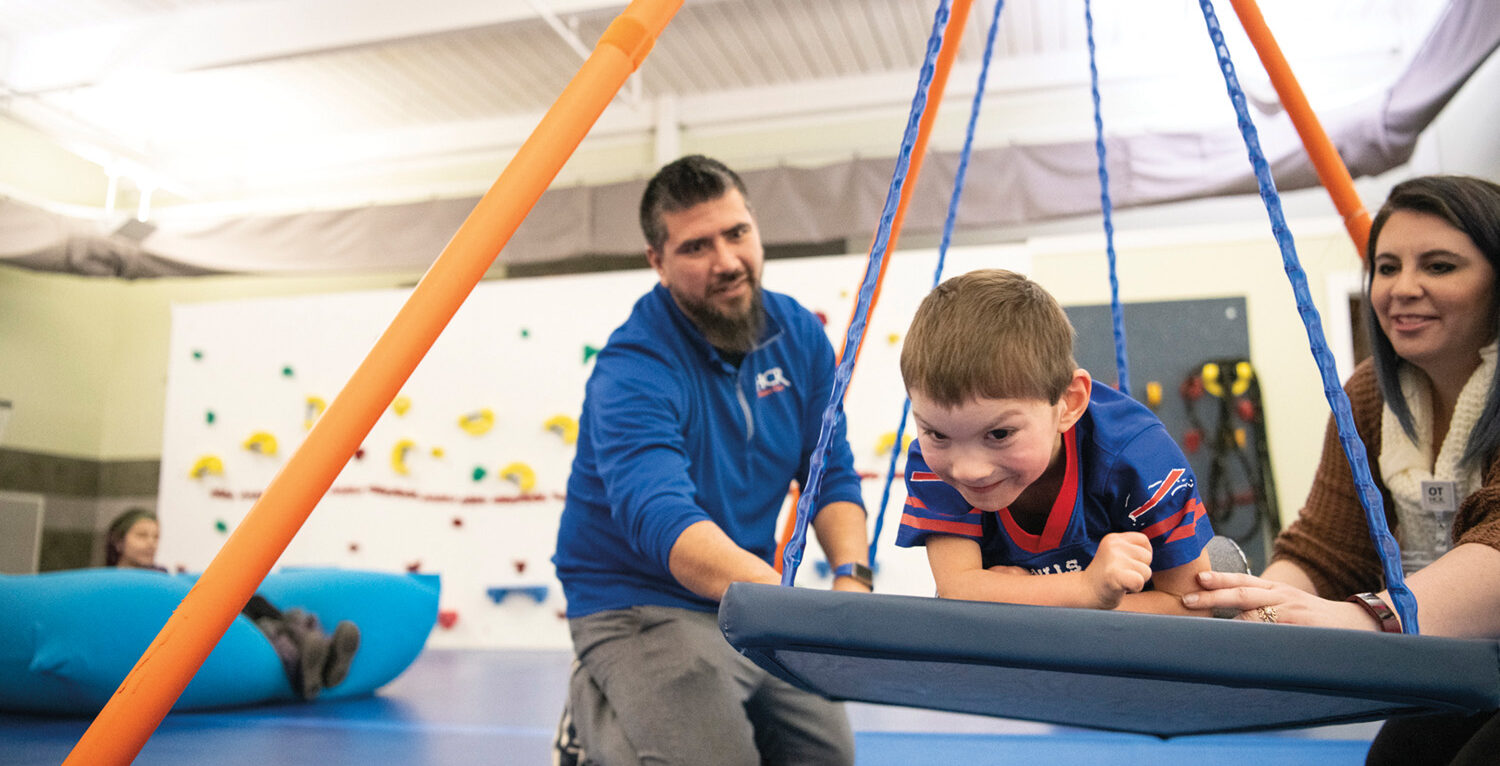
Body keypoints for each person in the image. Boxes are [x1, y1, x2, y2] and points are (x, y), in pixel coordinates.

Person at [551, 155, 871, 766]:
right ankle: (592, 725)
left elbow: (829, 474)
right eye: (697, 246)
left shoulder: (797, 334)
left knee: (827, 756)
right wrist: (785, 602)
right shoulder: (634, 368)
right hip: (638, 601)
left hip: (743, 597)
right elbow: (662, 518)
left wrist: (850, 581)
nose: (726, 261)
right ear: (657, 262)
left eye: (737, 233)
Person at [1181, 175, 1500, 765]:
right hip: (1467, 664)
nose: (1402, 288)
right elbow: (1328, 551)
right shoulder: (1371, 398)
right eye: (1386, 267)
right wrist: (1257, 609)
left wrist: (1368, 616)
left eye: (1439, 266)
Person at [894, 269, 1216, 613]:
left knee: (1226, 589)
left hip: (1155, 609)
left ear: (1069, 403)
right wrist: (1085, 589)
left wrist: (1024, 599)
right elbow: (958, 588)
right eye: (936, 434)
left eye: (1000, 434)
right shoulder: (934, 464)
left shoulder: (1140, 458)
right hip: (1099, 619)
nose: (969, 469)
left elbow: (1190, 607)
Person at [105, 508, 361, 701]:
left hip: (218, 616)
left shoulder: (162, 575)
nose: (151, 543)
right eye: (141, 536)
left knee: (260, 605)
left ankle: (315, 651)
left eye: (155, 536)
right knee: (262, 623)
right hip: (204, 627)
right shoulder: (110, 583)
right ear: (118, 541)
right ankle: (315, 652)